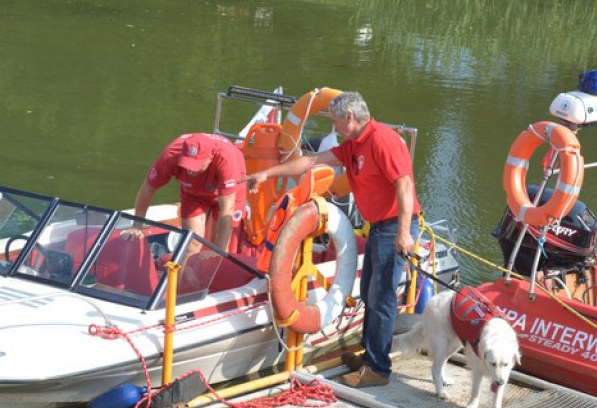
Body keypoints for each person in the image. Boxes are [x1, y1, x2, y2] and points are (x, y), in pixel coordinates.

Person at [246, 92, 420, 387]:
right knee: (369, 294)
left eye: (337, 121)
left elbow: (404, 184)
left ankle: (379, 369)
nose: (335, 128)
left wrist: (404, 232)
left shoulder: (382, 140)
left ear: (350, 117)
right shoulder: (352, 145)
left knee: (382, 298)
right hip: (377, 226)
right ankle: (369, 356)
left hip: (394, 227)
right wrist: (267, 174)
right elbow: (312, 161)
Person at [129, 133, 246, 254]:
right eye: (187, 163)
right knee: (192, 242)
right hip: (193, 191)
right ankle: (185, 272)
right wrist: (137, 224)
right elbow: (148, 188)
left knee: (216, 243)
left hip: (227, 190)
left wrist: (219, 249)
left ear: (210, 157)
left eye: (195, 165)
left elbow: (227, 208)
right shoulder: (171, 155)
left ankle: (213, 267)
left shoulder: (226, 161)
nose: (189, 170)